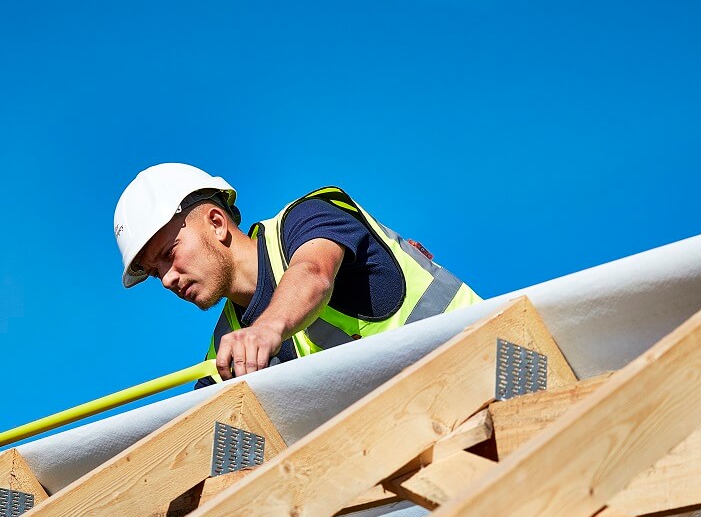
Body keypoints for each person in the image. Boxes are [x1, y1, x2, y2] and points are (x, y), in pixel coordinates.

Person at [113, 163, 481, 387]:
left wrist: (267, 329)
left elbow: (313, 272)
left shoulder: (307, 219)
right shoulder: (226, 346)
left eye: (168, 255)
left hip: (494, 363)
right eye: (153, 272)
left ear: (215, 223)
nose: (166, 279)